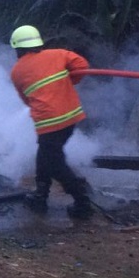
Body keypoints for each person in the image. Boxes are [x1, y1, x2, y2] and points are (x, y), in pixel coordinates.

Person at [9, 25, 94, 219]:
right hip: (71, 116)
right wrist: (66, 84)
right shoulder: (59, 54)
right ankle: (40, 196)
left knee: (55, 163)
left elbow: (26, 99)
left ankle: (82, 202)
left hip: (48, 122)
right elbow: (82, 67)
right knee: (45, 154)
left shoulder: (17, 72)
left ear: (17, 48)